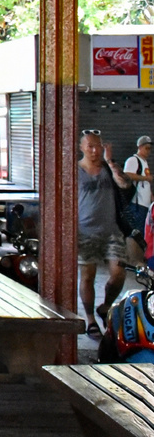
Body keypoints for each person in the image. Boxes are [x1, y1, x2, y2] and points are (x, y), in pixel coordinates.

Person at [79, 130, 131, 340]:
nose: (94, 150)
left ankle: (106, 305)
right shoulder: (76, 171)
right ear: (82, 148)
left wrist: (110, 162)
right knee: (88, 275)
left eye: (98, 145)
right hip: (85, 232)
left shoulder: (109, 169)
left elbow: (125, 185)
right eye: (90, 146)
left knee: (119, 273)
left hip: (112, 230)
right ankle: (90, 319)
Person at [121, 135, 153, 264]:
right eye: (146, 148)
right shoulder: (133, 160)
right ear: (139, 147)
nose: (148, 151)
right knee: (135, 233)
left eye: (150, 149)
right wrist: (146, 178)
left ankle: (137, 258)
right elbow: (127, 175)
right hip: (136, 203)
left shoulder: (144, 162)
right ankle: (133, 259)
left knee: (141, 233)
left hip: (144, 204)